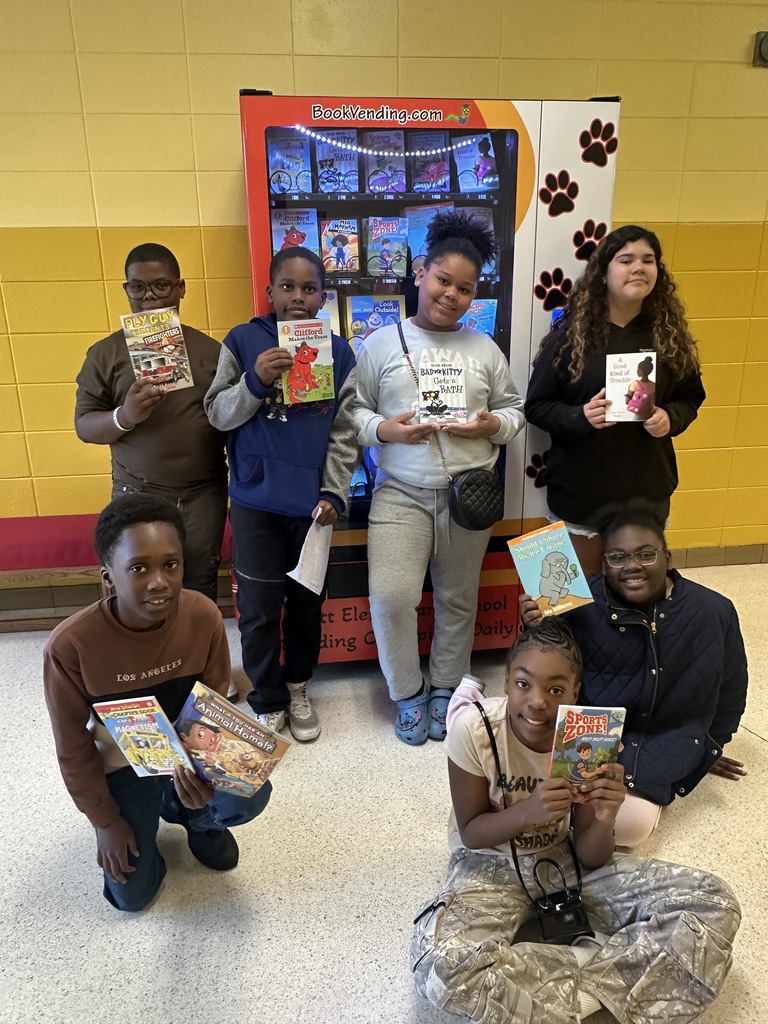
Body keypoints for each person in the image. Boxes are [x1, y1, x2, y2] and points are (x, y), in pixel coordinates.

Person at [412, 619, 741, 1023]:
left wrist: (604, 819)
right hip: (488, 864)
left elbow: (591, 857)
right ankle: (607, 974)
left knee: (713, 902)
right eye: (522, 683)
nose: (536, 702)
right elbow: (472, 832)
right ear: (505, 681)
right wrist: (528, 811)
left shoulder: (590, 736)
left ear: (575, 693)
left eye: (555, 690)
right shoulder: (474, 729)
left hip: (563, 859)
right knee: (442, 969)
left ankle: (566, 985)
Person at [43, 494, 271, 912]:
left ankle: (193, 818)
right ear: (108, 576)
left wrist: (202, 783)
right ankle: (149, 814)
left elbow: (215, 703)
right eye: (138, 568)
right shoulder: (70, 647)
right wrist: (106, 822)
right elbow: (72, 748)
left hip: (188, 756)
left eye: (171, 564)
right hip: (123, 766)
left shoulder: (202, 615)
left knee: (249, 791)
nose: (159, 582)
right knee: (132, 897)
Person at [353, 210, 525, 745]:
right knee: (390, 596)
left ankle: (447, 687)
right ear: (421, 272)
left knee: (457, 597)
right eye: (443, 279)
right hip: (399, 494)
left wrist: (491, 423)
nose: (451, 294)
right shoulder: (382, 343)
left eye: (465, 288)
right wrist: (385, 430)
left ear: (475, 295)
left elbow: (515, 410)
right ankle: (406, 692)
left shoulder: (483, 350)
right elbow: (352, 413)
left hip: (467, 492)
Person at [519, 501, 748, 847]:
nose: (632, 567)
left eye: (646, 554)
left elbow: (732, 688)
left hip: (662, 740)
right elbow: (536, 674)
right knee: (529, 804)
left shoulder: (714, 612)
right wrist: (534, 628)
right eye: (617, 557)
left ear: (668, 557)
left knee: (625, 827)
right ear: (603, 565)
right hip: (587, 737)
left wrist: (705, 748)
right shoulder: (576, 603)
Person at [204, 247, 357, 742]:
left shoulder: (339, 351)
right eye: (287, 287)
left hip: (312, 507)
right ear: (269, 292)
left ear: (322, 296)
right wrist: (255, 380)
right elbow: (217, 414)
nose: (298, 296)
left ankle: (298, 686)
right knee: (259, 607)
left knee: (307, 604)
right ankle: (267, 697)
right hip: (254, 503)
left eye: (309, 288)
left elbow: (346, 430)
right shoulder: (243, 340)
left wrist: (335, 492)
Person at [524, 225, 705, 574]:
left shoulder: (669, 338)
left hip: (647, 492)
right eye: (626, 259)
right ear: (603, 273)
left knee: (635, 600)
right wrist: (581, 417)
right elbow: (536, 407)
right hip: (579, 494)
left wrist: (670, 418)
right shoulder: (568, 338)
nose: (638, 267)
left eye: (648, 260)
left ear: (658, 272)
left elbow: (691, 398)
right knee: (566, 604)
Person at [75, 242, 228, 608]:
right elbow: (84, 425)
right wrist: (124, 416)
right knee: (140, 592)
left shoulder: (212, 351)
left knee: (197, 588)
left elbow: (230, 419)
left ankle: (192, 664)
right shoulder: (105, 353)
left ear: (181, 288)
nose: (150, 297)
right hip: (136, 491)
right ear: (126, 290)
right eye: (138, 287)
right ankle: (151, 665)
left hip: (203, 494)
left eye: (161, 286)